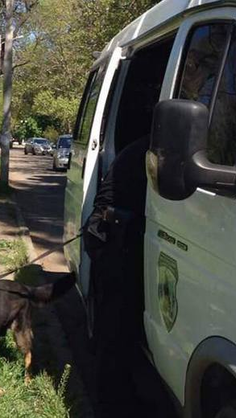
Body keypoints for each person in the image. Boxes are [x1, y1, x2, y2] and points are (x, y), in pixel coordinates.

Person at [83, 135, 150, 417]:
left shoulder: (142, 147)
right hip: (111, 239)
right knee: (113, 328)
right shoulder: (148, 150)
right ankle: (109, 405)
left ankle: (120, 391)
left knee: (119, 325)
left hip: (115, 235)